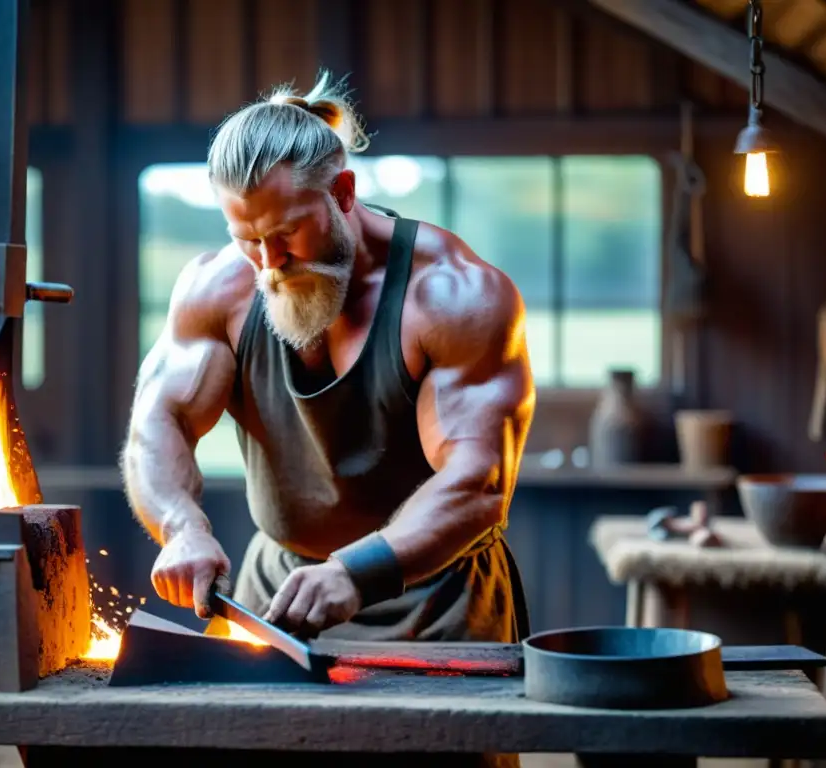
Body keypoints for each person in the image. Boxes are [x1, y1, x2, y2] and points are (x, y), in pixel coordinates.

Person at [122, 71, 535, 768]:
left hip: (434, 607)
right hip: (275, 598)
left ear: (342, 194)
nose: (269, 263)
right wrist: (180, 526)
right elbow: (155, 423)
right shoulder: (220, 286)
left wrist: (356, 571)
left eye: (286, 234)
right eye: (247, 238)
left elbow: (478, 481)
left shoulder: (454, 295)